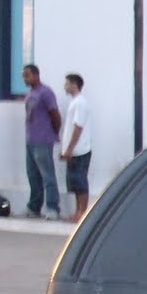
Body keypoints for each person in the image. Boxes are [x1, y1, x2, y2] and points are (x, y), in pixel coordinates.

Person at [22, 63, 63, 219]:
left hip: (43, 139)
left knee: (47, 175)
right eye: (23, 76)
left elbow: (55, 114)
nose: (25, 79)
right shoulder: (31, 93)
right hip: (30, 140)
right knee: (33, 175)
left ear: (36, 75)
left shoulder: (45, 93)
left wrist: (53, 131)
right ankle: (34, 206)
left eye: (27, 75)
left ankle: (52, 207)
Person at [59, 73, 93, 223]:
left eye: (67, 83)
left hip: (80, 150)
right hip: (74, 151)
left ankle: (82, 212)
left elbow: (78, 127)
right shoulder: (75, 102)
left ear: (74, 84)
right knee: (74, 182)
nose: (64, 86)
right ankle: (77, 211)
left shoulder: (80, 103)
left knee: (80, 180)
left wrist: (69, 149)